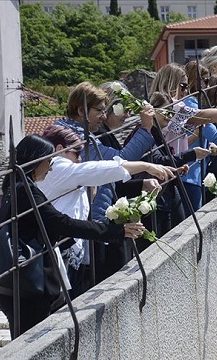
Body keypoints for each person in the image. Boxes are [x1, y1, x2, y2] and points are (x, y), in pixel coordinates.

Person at [0, 134, 145, 339]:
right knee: (33, 341)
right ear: (36, 161)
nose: (51, 167)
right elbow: (61, 222)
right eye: (49, 161)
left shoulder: (13, 188)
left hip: (17, 282)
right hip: (28, 283)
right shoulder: (25, 191)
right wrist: (114, 232)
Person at [39, 125, 177, 298]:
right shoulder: (58, 166)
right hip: (58, 248)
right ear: (60, 149)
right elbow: (99, 170)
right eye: (77, 153)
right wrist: (146, 166)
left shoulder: (62, 172)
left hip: (67, 248)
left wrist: (141, 182)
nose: (80, 159)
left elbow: (97, 180)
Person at [54, 81, 159, 284]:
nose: (103, 116)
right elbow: (118, 161)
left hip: (89, 216)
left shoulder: (82, 134)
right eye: (99, 110)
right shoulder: (76, 138)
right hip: (80, 221)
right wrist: (145, 129)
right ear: (81, 110)